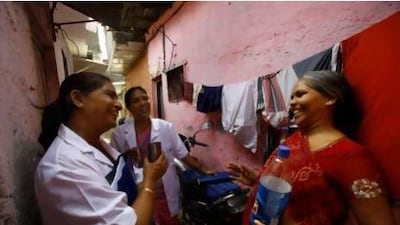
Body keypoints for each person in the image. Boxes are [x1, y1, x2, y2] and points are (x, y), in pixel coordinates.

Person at [227, 70, 396, 225]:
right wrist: (257, 180)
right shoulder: (294, 140)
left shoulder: (351, 156)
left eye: (300, 94)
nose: (292, 103)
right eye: (292, 97)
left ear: (331, 97)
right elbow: (296, 189)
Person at [35, 72, 168, 225]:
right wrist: (150, 181)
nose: (118, 105)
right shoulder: (64, 166)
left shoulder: (99, 145)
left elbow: (123, 189)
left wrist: (150, 174)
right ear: (78, 99)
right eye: (110, 95)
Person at [111, 86, 212, 225]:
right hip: (139, 192)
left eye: (145, 98)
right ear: (129, 107)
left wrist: (203, 170)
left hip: (165, 194)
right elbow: (115, 164)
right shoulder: (120, 134)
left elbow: (183, 154)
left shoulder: (165, 127)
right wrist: (128, 154)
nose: (143, 103)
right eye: (136, 101)